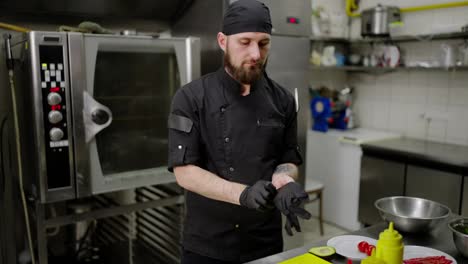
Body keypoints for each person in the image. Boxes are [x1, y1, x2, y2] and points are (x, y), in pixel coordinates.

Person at [167, 1, 311, 263]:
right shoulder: (191, 97)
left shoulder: (283, 100)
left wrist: (285, 181)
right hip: (208, 245)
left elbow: (287, 159)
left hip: (265, 242)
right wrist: (243, 194)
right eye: (245, 42)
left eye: (263, 43)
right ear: (223, 41)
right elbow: (184, 173)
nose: (256, 53)